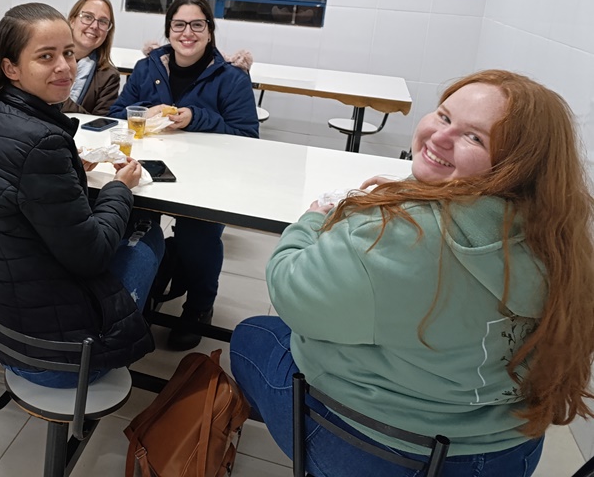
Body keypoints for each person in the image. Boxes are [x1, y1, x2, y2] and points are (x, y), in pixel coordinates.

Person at [230, 70, 594, 477]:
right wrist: (418, 191)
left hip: (383, 455)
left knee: (253, 336)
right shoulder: (562, 239)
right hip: (508, 455)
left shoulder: (398, 235)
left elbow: (291, 290)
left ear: (517, 166)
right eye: (444, 116)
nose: (440, 137)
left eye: (474, 137)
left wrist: (311, 220)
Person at [0, 2, 164, 387]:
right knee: (148, 232)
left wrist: (68, 170)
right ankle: (124, 333)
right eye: (46, 56)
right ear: (11, 68)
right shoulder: (40, 143)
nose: (65, 67)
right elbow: (91, 256)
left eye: (68, 53)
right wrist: (119, 188)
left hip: (2, 335)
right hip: (58, 358)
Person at [110, 0, 259, 351]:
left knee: (199, 236)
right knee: (134, 225)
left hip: (208, 178)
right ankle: (141, 290)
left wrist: (198, 117)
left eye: (197, 25)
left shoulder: (231, 78)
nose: (187, 33)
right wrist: (143, 112)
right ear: (168, 30)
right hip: (150, 170)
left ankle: (199, 306)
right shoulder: (147, 68)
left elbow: (248, 137)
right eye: (179, 25)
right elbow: (116, 115)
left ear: (209, 31)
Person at [59, 0, 121, 117]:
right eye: (88, 17)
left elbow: (99, 123)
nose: (94, 26)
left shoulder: (109, 77)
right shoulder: (46, 59)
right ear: (72, 21)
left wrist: (57, 98)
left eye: (103, 22)